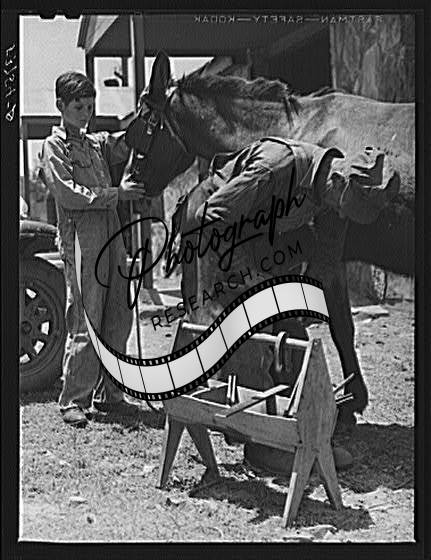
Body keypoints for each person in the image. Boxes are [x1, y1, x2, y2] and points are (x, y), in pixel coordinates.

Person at [40, 71, 144, 427]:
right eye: (78, 107)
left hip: (112, 233)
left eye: (90, 106)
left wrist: (146, 113)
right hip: (82, 237)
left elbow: (124, 143)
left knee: (118, 313)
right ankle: (74, 399)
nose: (86, 113)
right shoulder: (54, 147)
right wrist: (116, 194)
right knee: (87, 316)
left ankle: (111, 394)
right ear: (60, 106)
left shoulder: (96, 143)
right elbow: (68, 194)